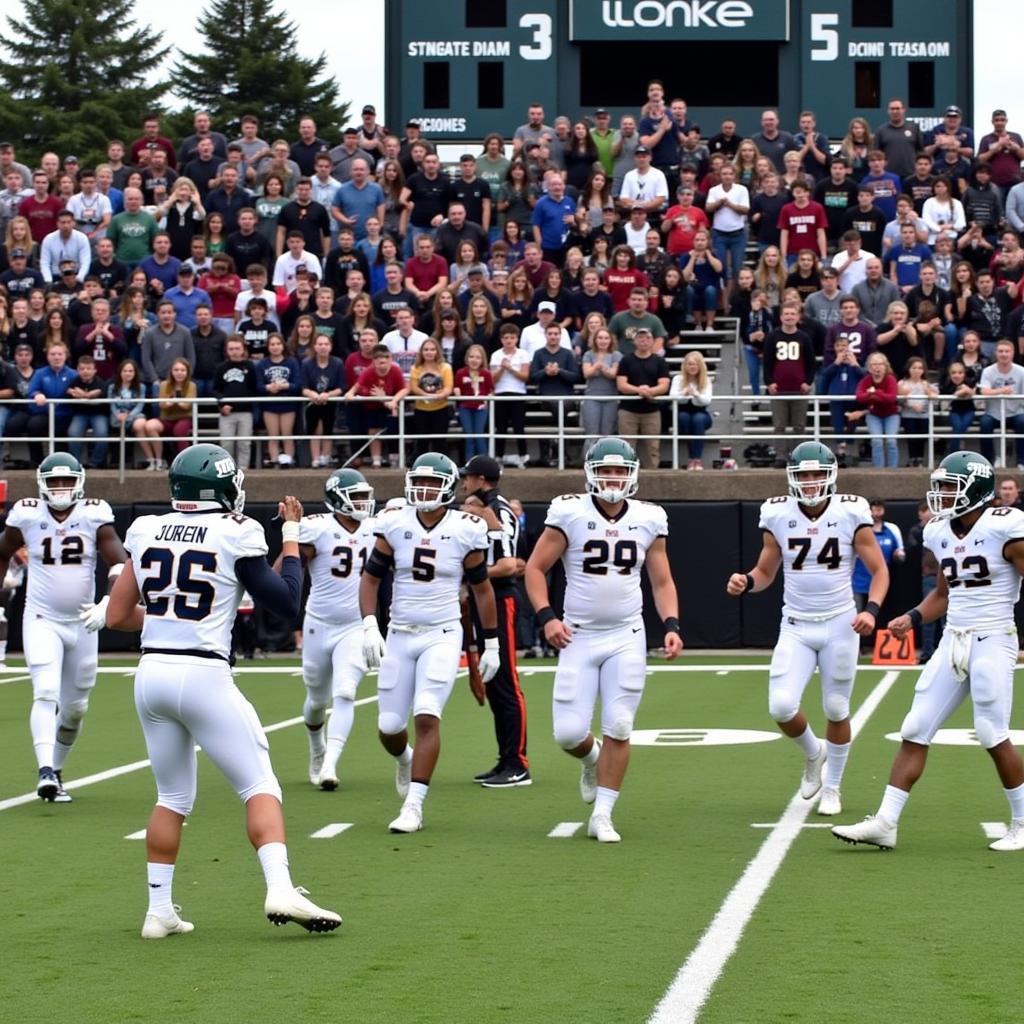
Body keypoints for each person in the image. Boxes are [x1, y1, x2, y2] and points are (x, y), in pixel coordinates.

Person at [99, 443, 341, 934]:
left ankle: (158, 911)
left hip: (151, 675)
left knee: (171, 796)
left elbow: (118, 616)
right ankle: (280, 888)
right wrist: (291, 537)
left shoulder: (145, 528)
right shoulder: (239, 531)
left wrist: (169, 619)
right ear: (223, 487)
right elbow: (285, 602)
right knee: (260, 786)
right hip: (203, 675)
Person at [833, 452, 1024, 851]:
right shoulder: (939, 531)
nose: (941, 495)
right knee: (915, 726)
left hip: (993, 637)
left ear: (976, 490)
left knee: (992, 732)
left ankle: (1022, 822)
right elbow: (943, 593)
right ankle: (886, 822)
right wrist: (913, 617)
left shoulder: (1006, 526)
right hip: (954, 639)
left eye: (950, 487)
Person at [525, 437, 682, 842]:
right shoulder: (570, 512)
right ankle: (591, 759)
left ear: (632, 475)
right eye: (605, 470)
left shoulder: (649, 517)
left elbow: (661, 579)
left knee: (620, 724)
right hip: (577, 635)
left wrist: (671, 624)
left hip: (627, 634)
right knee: (568, 734)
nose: (612, 478)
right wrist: (547, 618)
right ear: (591, 473)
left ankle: (603, 814)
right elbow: (535, 569)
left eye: (620, 471)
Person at [726, 441, 888, 815]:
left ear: (830, 476)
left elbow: (880, 570)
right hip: (796, 623)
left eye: (817, 474)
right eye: (804, 475)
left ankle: (833, 787)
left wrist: (873, 612)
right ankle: (814, 753)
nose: (811, 482)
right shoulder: (778, 514)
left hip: (840, 622)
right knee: (782, 707)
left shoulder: (851, 511)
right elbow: (766, 570)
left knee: (836, 707)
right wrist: (747, 582)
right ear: (791, 478)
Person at [359, 452, 500, 833]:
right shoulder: (394, 522)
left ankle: (414, 806)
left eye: (433, 484)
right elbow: (370, 578)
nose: (424, 490)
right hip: (401, 633)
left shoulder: (466, 527)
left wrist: (492, 644)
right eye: (419, 482)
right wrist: (370, 624)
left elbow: (482, 590)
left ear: (449, 488)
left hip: (442, 633)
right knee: (389, 727)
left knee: (426, 714)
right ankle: (405, 759)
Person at [0, 454, 126, 802]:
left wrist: (107, 603)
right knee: (45, 691)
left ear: (79, 482)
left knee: (76, 708)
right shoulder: (26, 514)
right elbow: (2, 551)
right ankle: (44, 771)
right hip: (41, 618)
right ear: (41, 485)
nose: (59, 488)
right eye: (53, 482)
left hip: (84, 622)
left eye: (65, 481)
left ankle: (56, 769)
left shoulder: (94, 514)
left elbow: (119, 563)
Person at [292, 469, 377, 791]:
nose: (362, 502)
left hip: (355, 625)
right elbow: (290, 563)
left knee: (345, 692)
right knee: (316, 698)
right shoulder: (318, 529)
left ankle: (330, 764)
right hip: (318, 624)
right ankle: (317, 748)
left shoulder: (376, 527)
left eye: (363, 495)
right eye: (355, 496)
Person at [459, 456, 529, 787]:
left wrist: (472, 574)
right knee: (492, 680)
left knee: (505, 681)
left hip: (500, 598)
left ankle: (518, 762)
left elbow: (510, 563)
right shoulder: (483, 506)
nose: (464, 483)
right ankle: (505, 758)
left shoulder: (498, 510)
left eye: (468, 477)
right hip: (483, 596)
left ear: (481, 479)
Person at [848, 351, 900, 468]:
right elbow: (859, 396)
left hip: (891, 414)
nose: (877, 367)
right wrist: (877, 395)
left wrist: (874, 392)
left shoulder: (890, 379)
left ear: (885, 366)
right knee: (877, 441)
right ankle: (878, 470)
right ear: (869, 368)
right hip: (873, 414)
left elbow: (891, 398)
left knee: (891, 441)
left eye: (880, 364)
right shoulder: (866, 380)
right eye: (874, 365)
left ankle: (893, 469)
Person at [978, 339, 1024, 468]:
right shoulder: (988, 371)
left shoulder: (1021, 371)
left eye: (1007, 351)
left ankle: (1021, 461)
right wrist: (1002, 390)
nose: (1004, 354)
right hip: (994, 413)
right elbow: (984, 391)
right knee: (985, 423)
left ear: (1013, 353)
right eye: (1001, 351)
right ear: (996, 353)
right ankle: (988, 462)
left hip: (1016, 412)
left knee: (1023, 422)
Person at [671, 351, 713, 470]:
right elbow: (673, 397)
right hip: (683, 413)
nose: (693, 367)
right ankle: (691, 459)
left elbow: (706, 401)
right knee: (684, 418)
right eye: (690, 364)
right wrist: (683, 393)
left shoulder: (706, 380)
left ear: (700, 366)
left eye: (696, 364)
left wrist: (696, 394)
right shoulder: (678, 379)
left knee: (698, 419)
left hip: (702, 414)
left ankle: (697, 459)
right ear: (685, 365)